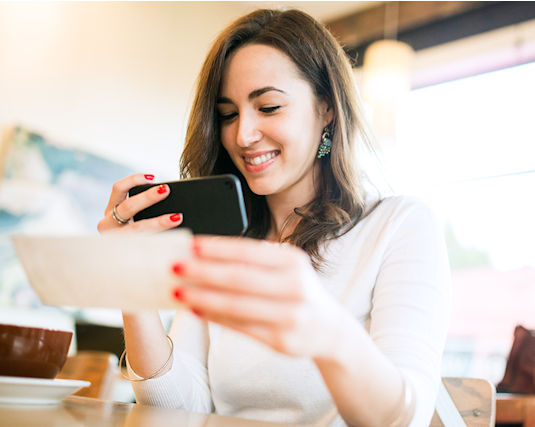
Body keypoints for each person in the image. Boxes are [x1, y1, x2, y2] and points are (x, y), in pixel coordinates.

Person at [97, 8, 450, 427]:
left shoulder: (400, 226)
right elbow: (177, 407)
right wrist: (131, 286)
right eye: (228, 114)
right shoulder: (221, 241)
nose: (242, 135)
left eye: (268, 106)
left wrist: (325, 329)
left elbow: (404, 418)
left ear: (326, 109)